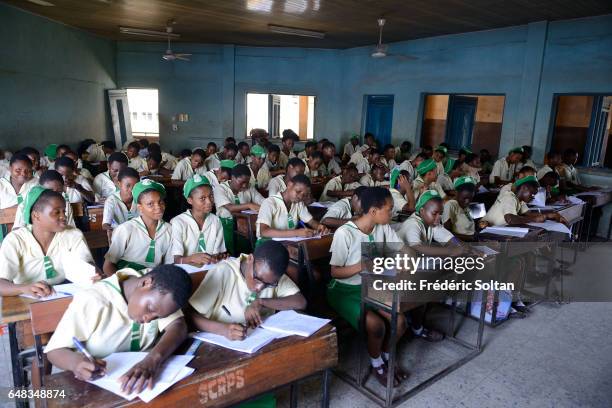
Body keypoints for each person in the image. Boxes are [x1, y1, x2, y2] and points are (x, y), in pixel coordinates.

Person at [45, 264, 192, 394]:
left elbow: (178, 326)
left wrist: (152, 360)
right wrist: (76, 363)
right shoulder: (93, 299)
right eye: (150, 308)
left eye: (157, 317)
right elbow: (54, 351)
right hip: (97, 385)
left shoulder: (162, 285)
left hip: (138, 382)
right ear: (145, 283)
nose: (148, 319)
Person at [327, 187, 408, 386]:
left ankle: (387, 356)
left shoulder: (383, 228)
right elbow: (334, 271)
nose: (392, 213)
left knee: (400, 321)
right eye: (389, 209)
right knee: (376, 326)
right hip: (344, 290)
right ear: (373, 211)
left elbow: (402, 250)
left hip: (372, 286)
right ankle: (376, 363)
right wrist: (362, 266)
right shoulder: (345, 233)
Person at [187, 241, 306, 341]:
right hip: (223, 344)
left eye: (269, 284)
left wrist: (261, 302)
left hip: (261, 342)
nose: (259, 288)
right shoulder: (224, 271)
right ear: (250, 259)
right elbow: (190, 316)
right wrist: (224, 330)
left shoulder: (272, 275)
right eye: (257, 279)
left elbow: (300, 302)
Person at [0, 187, 95, 296]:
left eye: (64, 211)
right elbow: (1, 283)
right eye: (56, 212)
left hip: (66, 291)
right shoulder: (15, 240)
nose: (63, 216)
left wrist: (93, 273)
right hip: (27, 296)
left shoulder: (73, 234)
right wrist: (24, 288)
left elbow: (86, 266)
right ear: (36, 216)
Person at [103, 180, 173, 275]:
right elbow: (107, 266)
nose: (158, 207)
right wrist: (122, 284)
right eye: (150, 204)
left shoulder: (169, 230)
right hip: (126, 277)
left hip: (154, 278)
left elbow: (169, 265)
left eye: (160, 202)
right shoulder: (126, 229)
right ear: (140, 207)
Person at [170, 175, 226, 266]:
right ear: (190, 200)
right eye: (202, 198)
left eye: (211, 196)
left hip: (209, 269)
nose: (209, 202)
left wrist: (218, 257)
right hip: (185, 272)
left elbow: (217, 253)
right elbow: (176, 260)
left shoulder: (215, 220)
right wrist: (191, 258)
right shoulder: (178, 222)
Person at [256, 175, 327, 244]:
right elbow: (264, 232)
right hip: (267, 244)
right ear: (289, 185)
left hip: (288, 243)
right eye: (298, 191)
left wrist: (319, 227)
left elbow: (311, 221)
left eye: (304, 195)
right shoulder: (270, 203)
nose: (300, 197)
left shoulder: (299, 204)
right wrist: (296, 233)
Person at [213, 164, 265, 254]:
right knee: (230, 253)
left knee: (245, 251)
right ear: (232, 178)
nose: (245, 186)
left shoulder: (249, 188)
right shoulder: (220, 189)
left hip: (245, 224)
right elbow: (230, 208)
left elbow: (263, 201)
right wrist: (249, 205)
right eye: (242, 182)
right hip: (226, 225)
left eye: (247, 182)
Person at [482, 176, 566, 226]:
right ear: (524, 188)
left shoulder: (520, 201)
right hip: (485, 231)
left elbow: (529, 214)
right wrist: (534, 220)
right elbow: (510, 219)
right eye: (532, 194)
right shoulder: (509, 197)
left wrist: (550, 215)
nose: (533, 197)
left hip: (497, 230)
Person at [102, 167, 139, 241]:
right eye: (128, 186)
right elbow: (105, 224)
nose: (131, 190)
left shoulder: (141, 198)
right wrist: (110, 230)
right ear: (119, 184)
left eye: (135, 186)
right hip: (119, 236)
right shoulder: (112, 200)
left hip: (138, 235)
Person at [443, 176, 479, 240]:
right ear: (456, 193)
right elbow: (446, 233)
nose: (467, 201)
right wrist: (469, 237)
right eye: (465, 198)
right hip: (461, 243)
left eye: (470, 198)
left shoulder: (465, 207)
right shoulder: (451, 204)